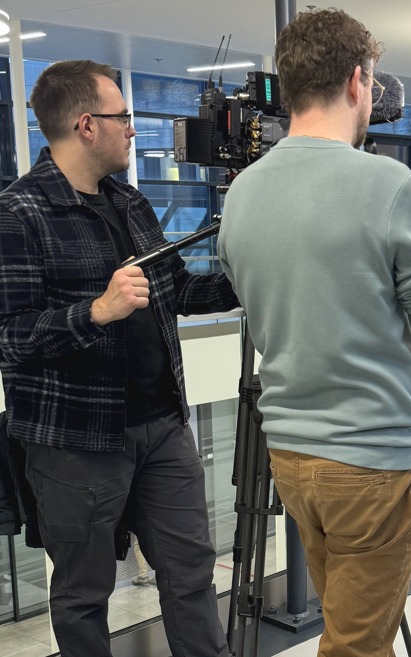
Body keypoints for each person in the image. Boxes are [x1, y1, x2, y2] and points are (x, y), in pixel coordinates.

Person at [218, 8, 411, 656]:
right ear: (358, 82)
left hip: (293, 460)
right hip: (371, 460)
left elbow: (260, 304)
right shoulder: (386, 185)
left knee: (348, 625)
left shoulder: (240, 195)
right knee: (357, 645)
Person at [0, 60, 239, 656]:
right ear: (86, 124)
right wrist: (96, 312)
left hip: (162, 428)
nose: (133, 129)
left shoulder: (130, 201)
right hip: (74, 443)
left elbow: (177, 289)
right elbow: (9, 337)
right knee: (83, 594)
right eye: (123, 117)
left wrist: (252, 280)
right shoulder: (18, 213)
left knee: (190, 575)